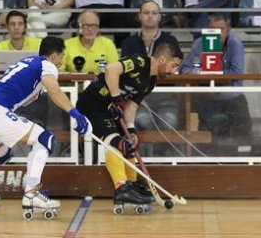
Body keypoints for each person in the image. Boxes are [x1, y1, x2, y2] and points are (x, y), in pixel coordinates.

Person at [0, 36, 91, 213]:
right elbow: (54, 89)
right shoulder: (47, 65)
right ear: (53, 56)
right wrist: (74, 113)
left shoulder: (28, 62)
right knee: (45, 139)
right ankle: (32, 192)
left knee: (1, 152)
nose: (62, 61)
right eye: (61, 56)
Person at [76, 42, 183, 206]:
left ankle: (132, 186)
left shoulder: (151, 82)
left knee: (130, 144)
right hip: (93, 105)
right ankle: (121, 187)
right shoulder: (139, 61)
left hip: (111, 110)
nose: (174, 70)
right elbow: (111, 70)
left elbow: (132, 106)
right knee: (117, 143)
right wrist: (116, 98)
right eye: (173, 65)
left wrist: (131, 130)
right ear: (162, 59)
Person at [181, 14, 252, 139]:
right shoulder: (198, 44)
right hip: (205, 96)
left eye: (221, 29)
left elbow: (236, 72)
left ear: (228, 30)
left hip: (231, 96)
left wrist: (215, 76)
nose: (217, 33)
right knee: (201, 128)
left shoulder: (235, 44)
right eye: (213, 29)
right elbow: (185, 69)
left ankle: (242, 155)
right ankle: (202, 155)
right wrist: (198, 72)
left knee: (243, 130)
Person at [121, 0, 181, 136]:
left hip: (166, 96)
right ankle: (145, 155)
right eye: (146, 12)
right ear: (139, 16)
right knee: (143, 121)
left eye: (154, 13)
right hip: (139, 99)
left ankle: (161, 155)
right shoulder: (128, 43)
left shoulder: (171, 41)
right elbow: (127, 71)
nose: (150, 16)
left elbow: (173, 69)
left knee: (168, 121)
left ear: (160, 17)